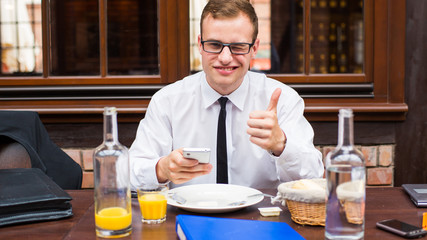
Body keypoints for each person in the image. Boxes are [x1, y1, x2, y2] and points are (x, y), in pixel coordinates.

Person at [128, 0, 324, 189]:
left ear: (254, 49)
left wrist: (282, 144)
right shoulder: (167, 102)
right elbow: (130, 176)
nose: (224, 58)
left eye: (238, 47)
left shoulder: (284, 100)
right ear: (200, 45)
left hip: (262, 219)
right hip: (187, 217)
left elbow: (314, 177)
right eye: (214, 45)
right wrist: (161, 169)